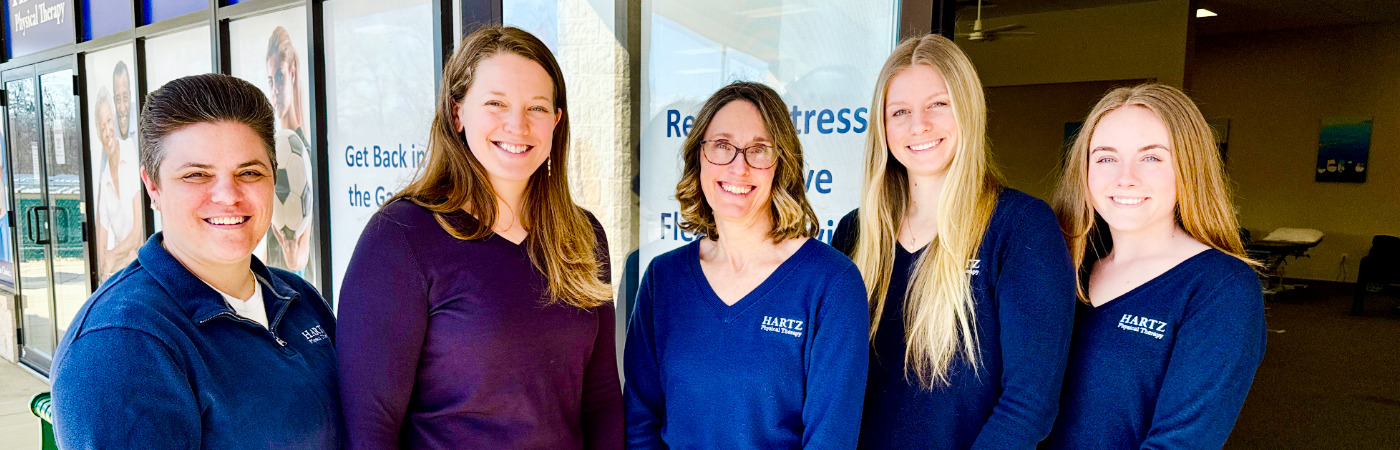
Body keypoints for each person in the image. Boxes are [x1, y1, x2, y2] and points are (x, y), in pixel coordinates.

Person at [336, 26, 622, 449]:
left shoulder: (583, 236)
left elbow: (600, 403)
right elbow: (369, 430)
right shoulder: (401, 238)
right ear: (458, 114)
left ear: (556, 121)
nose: (517, 125)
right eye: (495, 103)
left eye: (537, 108)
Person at [50, 74, 341, 448]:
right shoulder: (121, 345)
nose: (228, 195)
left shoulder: (297, 297)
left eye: (249, 172)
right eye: (196, 175)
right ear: (153, 187)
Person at [830, 34, 1075, 448]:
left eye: (938, 104)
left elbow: (1029, 406)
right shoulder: (855, 234)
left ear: (968, 109)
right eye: (899, 111)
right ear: (882, 126)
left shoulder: (1020, 228)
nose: (918, 125)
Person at [624, 82, 869, 448]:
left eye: (758, 150)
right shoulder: (663, 279)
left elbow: (830, 440)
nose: (738, 166)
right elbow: (640, 423)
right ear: (699, 158)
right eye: (722, 146)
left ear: (781, 164)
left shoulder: (831, 284)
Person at [1044, 84, 1266, 449]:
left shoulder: (1222, 288)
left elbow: (1179, 443)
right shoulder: (1065, 267)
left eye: (1151, 158)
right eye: (1105, 157)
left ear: (1188, 168)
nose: (1125, 177)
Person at [265, 26, 314, 275]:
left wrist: (295, 260)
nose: (275, 90)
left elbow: (303, 254)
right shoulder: (270, 150)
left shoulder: (304, 154)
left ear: (292, 74)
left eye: (280, 77)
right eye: (270, 81)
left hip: (296, 289)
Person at [92, 87, 143, 280]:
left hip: (139, 260)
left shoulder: (130, 151)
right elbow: (101, 245)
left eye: (108, 122)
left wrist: (113, 255)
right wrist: (105, 262)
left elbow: (138, 231)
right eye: (101, 126)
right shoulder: (104, 180)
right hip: (126, 264)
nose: (107, 131)